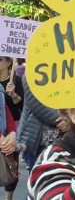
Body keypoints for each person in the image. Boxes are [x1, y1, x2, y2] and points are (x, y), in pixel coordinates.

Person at [17, 75, 68, 172]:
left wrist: (70, 119)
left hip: (67, 138)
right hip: (39, 138)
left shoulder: (67, 68)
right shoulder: (32, 72)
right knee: (39, 180)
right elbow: (36, 104)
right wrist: (62, 120)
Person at [0, 56, 23, 200]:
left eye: (0, 59)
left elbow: (21, 106)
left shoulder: (17, 80)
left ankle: (9, 197)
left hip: (11, 126)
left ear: (9, 62)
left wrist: (12, 133)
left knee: (10, 163)